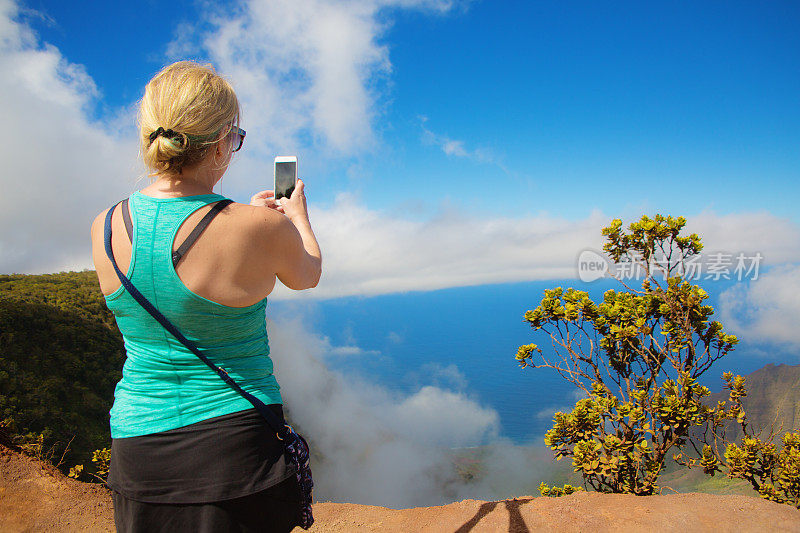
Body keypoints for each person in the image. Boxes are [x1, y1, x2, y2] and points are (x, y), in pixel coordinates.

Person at [89, 61, 322, 532]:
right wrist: (294, 217)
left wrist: (255, 225)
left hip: (138, 447)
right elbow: (307, 274)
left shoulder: (106, 223)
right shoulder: (261, 226)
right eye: (235, 139)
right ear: (220, 141)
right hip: (234, 449)